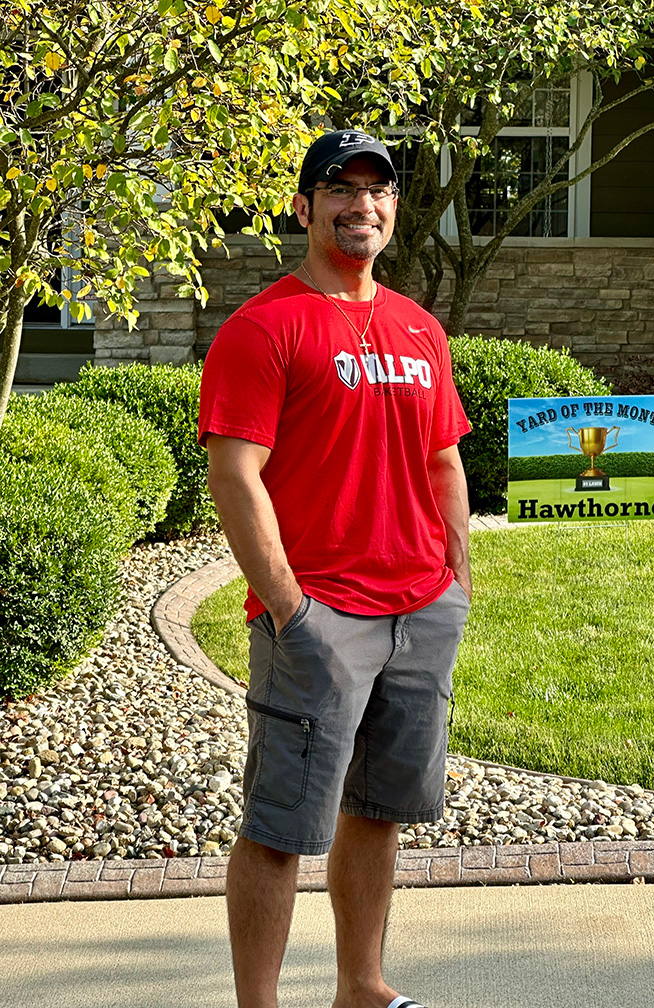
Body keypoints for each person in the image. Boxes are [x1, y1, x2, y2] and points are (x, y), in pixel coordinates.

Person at [198, 129, 472, 1008]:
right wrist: (288, 607)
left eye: (377, 190)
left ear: (394, 205)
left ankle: (362, 987)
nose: (363, 205)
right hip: (319, 616)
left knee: (379, 811)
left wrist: (454, 582)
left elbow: (442, 459)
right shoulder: (263, 327)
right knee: (282, 829)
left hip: (420, 609)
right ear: (306, 205)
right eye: (341, 189)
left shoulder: (419, 329)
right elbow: (236, 476)